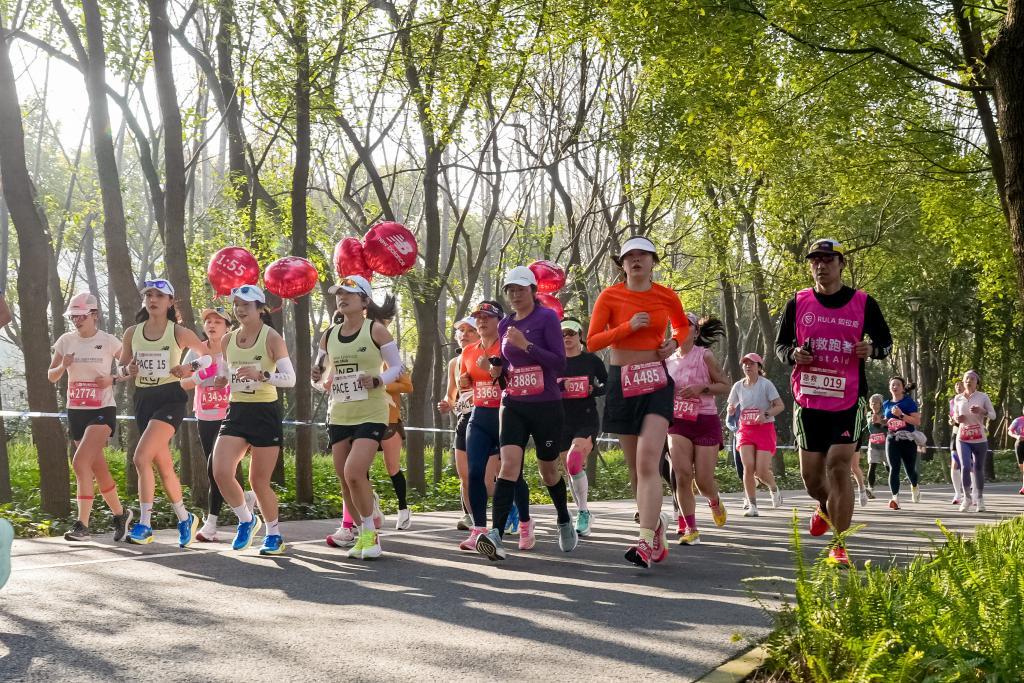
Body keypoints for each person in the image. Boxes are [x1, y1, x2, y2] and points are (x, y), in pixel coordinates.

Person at [775, 239, 892, 566]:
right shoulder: (797, 303)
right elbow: (781, 346)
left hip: (848, 400)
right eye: (815, 260)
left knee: (839, 468)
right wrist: (793, 354)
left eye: (828, 260)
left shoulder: (864, 303)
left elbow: (885, 343)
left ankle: (839, 547)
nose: (821, 266)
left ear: (841, 264)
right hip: (809, 399)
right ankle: (824, 506)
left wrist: (872, 349)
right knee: (812, 479)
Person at [587, 236, 689, 568]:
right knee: (635, 468)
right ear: (622, 264)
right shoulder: (610, 295)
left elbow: (684, 327)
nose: (635, 260)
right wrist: (626, 327)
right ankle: (655, 525)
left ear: (653, 261)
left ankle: (644, 542)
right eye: (628, 256)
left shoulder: (666, 295)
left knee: (648, 461)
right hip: (622, 381)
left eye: (642, 255)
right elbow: (591, 342)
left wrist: (673, 343)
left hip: (656, 381)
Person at [476, 267, 576, 562]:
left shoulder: (546, 318)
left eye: (521, 289)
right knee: (508, 467)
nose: (516, 295)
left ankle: (563, 518)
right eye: (510, 290)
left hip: (545, 405)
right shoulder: (505, 324)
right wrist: (499, 369)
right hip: (514, 404)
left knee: (548, 471)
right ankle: (496, 535)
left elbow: (559, 365)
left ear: (533, 291)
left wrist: (527, 345)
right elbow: (509, 365)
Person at [313, 276, 404, 560]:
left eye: (349, 293)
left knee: (354, 472)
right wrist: (317, 378)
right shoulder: (328, 335)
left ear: (364, 301)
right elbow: (320, 376)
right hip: (340, 412)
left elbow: (397, 368)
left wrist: (377, 379)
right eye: (339, 294)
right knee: (344, 479)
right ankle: (365, 532)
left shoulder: (376, 330)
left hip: (371, 412)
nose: (342, 298)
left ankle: (372, 535)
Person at [121, 279, 210, 547]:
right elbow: (122, 367)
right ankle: (185, 518)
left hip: (169, 400)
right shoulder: (131, 332)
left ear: (170, 302)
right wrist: (129, 371)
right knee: (163, 465)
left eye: (159, 295)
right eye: (148, 294)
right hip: (143, 401)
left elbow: (207, 358)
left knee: (140, 457)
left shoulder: (178, 332)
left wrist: (188, 368)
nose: (153, 299)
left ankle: (145, 525)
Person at [209, 286, 294, 555]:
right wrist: (222, 379)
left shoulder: (272, 337)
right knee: (220, 470)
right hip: (237, 411)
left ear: (260, 308)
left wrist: (263, 376)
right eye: (236, 304)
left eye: (246, 304)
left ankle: (274, 533)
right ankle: (247, 519)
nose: (240, 309)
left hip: (264, 412)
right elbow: (226, 372)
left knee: (258, 481)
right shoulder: (227, 339)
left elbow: (290, 379)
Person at [48, 292, 133, 542]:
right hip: (76, 411)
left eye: (81, 315)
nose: (76, 320)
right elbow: (51, 376)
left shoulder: (108, 341)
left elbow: (131, 366)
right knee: (98, 469)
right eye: (73, 316)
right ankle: (121, 514)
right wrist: (63, 365)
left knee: (79, 463)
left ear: (94, 314)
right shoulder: (65, 341)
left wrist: (113, 378)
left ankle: (82, 525)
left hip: (102, 411)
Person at [181, 306, 256, 542]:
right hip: (205, 415)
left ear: (228, 327)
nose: (212, 325)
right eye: (208, 322)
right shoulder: (196, 352)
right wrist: (203, 375)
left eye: (218, 322)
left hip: (231, 415)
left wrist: (228, 380)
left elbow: (247, 378)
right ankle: (245, 499)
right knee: (217, 469)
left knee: (216, 469)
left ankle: (211, 524)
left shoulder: (233, 348)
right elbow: (182, 383)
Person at [666, 314, 730, 543]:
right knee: (682, 475)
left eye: (687, 326)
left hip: (705, 420)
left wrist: (701, 388)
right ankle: (691, 529)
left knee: (703, 481)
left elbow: (724, 385)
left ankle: (714, 500)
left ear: (696, 332)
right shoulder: (667, 360)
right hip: (678, 423)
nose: (682, 329)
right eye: (677, 325)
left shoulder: (705, 355)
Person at [557, 317, 607, 536]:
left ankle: (584, 512)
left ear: (579, 336)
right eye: (562, 334)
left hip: (586, 418)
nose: (566, 337)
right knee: (571, 469)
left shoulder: (591, 360)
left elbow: (608, 384)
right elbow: (545, 384)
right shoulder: (555, 361)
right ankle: (581, 510)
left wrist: (592, 390)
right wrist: (559, 384)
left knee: (574, 460)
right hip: (560, 420)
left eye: (571, 333)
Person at [726, 352, 783, 519]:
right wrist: (731, 409)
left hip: (764, 429)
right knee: (748, 467)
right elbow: (732, 404)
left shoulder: (766, 385)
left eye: (752, 363)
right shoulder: (738, 386)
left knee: (762, 471)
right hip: (745, 430)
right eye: (745, 363)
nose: (748, 366)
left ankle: (773, 488)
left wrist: (765, 414)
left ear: (759, 367)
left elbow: (779, 406)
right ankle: (752, 505)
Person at [438, 317, 481, 531]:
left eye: (470, 330)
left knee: (490, 478)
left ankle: (511, 508)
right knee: (464, 473)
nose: (463, 334)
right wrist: (447, 404)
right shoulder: (454, 363)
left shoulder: (488, 356)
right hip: (464, 418)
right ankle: (469, 516)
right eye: (460, 330)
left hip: (487, 417)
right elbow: (451, 395)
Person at [379, 322, 413, 531]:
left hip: (390, 419)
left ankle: (403, 508)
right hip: (364, 417)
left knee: (392, 467)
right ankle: (371, 507)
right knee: (357, 467)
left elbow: (408, 386)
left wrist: (381, 384)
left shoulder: (393, 360)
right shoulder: (360, 357)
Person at [954, 370, 995, 512]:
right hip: (963, 437)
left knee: (978, 468)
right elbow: (955, 416)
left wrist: (982, 411)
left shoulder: (983, 397)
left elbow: (993, 415)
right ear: (963, 381)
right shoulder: (958, 398)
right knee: (965, 466)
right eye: (966, 378)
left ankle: (980, 499)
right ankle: (966, 498)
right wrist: (957, 419)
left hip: (979, 438)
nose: (969, 381)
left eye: (972, 378)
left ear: (977, 382)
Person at [883, 376, 921, 510]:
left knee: (910, 470)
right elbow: (886, 421)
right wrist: (880, 421)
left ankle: (914, 485)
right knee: (894, 468)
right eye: (892, 385)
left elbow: (917, 422)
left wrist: (901, 415)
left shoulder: (908, 402)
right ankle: (895, 498)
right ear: (889, 388)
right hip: (892, 439)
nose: (894, 387)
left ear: (903, 387)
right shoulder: (886, 404)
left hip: (907, 440)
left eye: (897, 385)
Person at [864, 394, 886, 500]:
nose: (873, 404)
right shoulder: (868, 414)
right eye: (871, 403)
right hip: (873, 445)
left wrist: (880, 422)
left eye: (876, 402)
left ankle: (895, 486)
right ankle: (870, 489)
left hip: (885, 445)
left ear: (880, 404)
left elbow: (889, 426)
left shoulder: (885, 413)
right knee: (872, 466)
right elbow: (868, 428)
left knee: (888, 467)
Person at [948, 380, 966, 504]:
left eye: (961, 384)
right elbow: (953, 417)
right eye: (956, 385)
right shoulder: (952, 401)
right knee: (955, 463)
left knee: (969, 465)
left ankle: (971, 493)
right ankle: (957, 494)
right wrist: (952, 422)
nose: (958, 387)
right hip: (956, 432)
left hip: (970, 433)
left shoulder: (972, 399)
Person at [1008, 408, 1024, 495]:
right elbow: (1010, 431)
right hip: (1020, 444)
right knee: (1021, 466)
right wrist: (1016, 436)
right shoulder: (1018, 420)